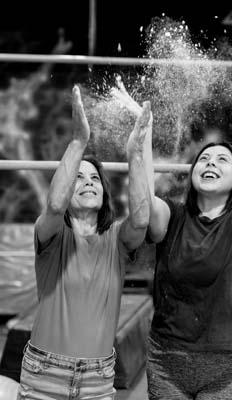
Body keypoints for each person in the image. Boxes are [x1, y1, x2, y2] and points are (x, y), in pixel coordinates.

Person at [116, 83, 232, 399]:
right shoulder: (173, 216)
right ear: (194, 173)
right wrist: (143, 134)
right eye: (205, 158)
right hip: (168, 361)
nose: (210, 162)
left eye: (222, 160)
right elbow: (141, 207)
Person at [17, 85, 152, 400]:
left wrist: (134, 153)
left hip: (97, 377)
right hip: (44, 373)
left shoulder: (116, 239)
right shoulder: (51, 234)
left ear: (104, 193)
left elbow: (142, 220)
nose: (88, 182)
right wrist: (78, 141)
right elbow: (54, 205)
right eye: (78, 177)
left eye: (94, 179)